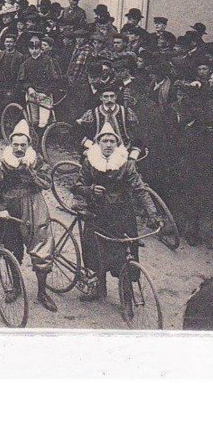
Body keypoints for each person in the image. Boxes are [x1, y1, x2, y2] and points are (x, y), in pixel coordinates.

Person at [71, 122, 161, 302]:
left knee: (125, 255)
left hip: (122, 215)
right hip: (96, 214)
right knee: (96, 253)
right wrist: (91, 189)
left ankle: (127, 296)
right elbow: (77, 186)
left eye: (112, 141)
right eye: (104, 141)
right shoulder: (90, 162)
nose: (108, 144)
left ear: (117, 143)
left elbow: (140, 189)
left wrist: (152, 214)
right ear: (98, 142)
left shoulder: (126, 164)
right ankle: (98, 288)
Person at [0, 118, 57, 312]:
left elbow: (47, 184)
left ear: (28, 145)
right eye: (15, 144)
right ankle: (15, 287)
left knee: (42, 248)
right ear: (10, 144)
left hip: (35, 207)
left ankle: (42, 292)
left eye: (22, 145)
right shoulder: (0, 163)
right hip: (9, 209)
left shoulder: (37, 161)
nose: (18, 148)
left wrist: (31, 172)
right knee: (11, 248)